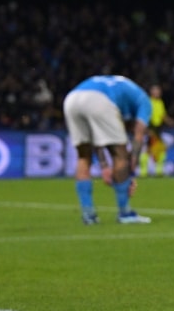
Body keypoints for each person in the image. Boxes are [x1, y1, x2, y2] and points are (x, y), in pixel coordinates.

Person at [62, 74, 153, 224]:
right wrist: (130, 170)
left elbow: (97, 140)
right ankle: (125, 213)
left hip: (72, 98)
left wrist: (104, 166)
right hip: (98, 100)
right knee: (120, 155)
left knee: (83, 157)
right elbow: (138, 135)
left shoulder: (121, 90)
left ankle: (88, 215)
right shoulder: (144, 101)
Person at [139, 83, 174, 178]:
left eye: (158, 90)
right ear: (151, 92)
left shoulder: (160, 102)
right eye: (155, 90)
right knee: (150, 150)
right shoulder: (148, 102)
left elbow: (162, 115)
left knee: (159, 150)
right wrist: (146, 130)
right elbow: (144, 116)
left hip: (158, 129)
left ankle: (157, 171)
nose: (158, 92)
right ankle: (144, 172)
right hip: (151, 128)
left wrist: (169, 121)